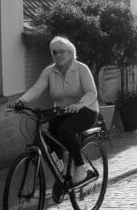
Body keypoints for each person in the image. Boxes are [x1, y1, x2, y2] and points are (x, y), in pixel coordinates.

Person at [14, 36, 99, 184]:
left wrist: (80, 104)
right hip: (62, 111)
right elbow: (36, 88)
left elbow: (92, 93)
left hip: (86, 110)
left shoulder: (81, 69)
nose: (58, 55)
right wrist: (21, 100)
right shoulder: (49, 71)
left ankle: (80, 167)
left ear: (70, 53)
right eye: (54, 52)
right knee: (46, 134)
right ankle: (60, 167)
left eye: (61, 52)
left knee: (65, 130)